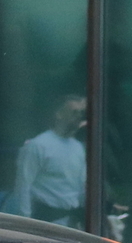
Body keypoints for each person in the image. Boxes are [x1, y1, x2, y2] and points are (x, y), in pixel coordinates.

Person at [11, 95, 86, 223]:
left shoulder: (78, 148)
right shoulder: (38, 146)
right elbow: (23, 186)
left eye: (81, 113)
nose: (79, 116)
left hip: (71, 222)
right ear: (59, 114)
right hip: (45, 222)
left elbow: (81, 187)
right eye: (74, 112)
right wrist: (25, 222)